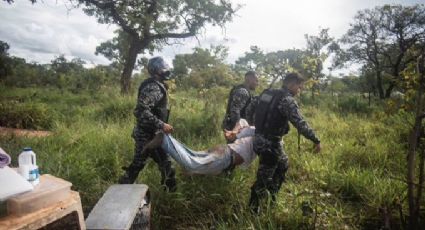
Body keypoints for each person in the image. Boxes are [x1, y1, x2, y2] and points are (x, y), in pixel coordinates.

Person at [249, 72, 321, 213]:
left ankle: (272, 195)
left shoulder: (267, 93)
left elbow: (251, 107)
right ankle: (252, 210)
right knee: (263, 177)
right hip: (270, 145)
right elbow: (299, 123)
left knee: (283, 164)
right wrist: (316, 140)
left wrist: (255, 126)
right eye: (299, 88)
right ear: (292, 84)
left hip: (259, 139)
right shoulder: (286, 100)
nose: (299, 91)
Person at [119, 56, 177, 192]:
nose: (166, 72)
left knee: (166, 164)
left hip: (155, 135)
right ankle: (120, 190)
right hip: (147, 135)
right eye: (164, 70)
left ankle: (169, 194)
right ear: (156, 71)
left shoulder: (157, 85)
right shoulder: (154, 87)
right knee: (139, 164)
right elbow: (141, 110)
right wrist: (161, 124)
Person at [142, 119, 256, 175]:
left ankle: (168, 139)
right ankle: (165, 140)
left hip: (224, 150)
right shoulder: (262, 132)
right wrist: (236, 133)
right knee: (193, 166)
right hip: (226, 157)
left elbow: (242, 121)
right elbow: (250, 128)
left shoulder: (258, 130)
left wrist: (234, 132)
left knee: (191, 155)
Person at [222, 71, 259, 135]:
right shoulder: (243, 92)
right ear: (249, 80)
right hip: (235, 128)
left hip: (235, 126)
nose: (257, 83)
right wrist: (238, 128)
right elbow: (235, 110)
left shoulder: (242, 90)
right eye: (256, 80)